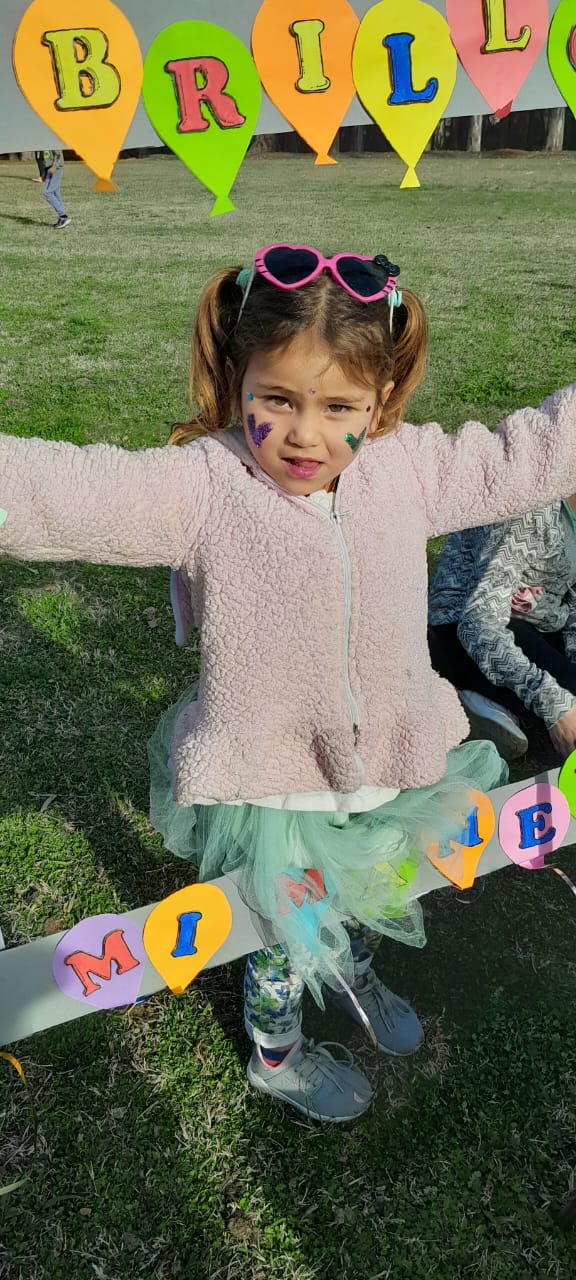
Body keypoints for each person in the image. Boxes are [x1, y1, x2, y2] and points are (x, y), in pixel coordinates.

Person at [1, 245, 575, 1123]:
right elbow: (64, 493)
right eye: (277, 400)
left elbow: (523, 455)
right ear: (239, 382)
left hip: (390, 766)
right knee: (280, 941)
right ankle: (279, 1055)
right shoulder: (202, 486)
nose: (306, 434)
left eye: (338, 407)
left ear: (381, 399)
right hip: (278, 793)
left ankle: (353, 973)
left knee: (376, 892)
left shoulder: (409, 467)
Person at [428, 500, 576, 762]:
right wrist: (552, 701)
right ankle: (471, 694)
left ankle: (494, 703)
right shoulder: (532, 509)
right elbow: (476, 621)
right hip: (460, 630)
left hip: (531, 623)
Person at [40, 150, 70, 229]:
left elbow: (58, 155)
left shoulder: (52, 143)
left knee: (47, 193)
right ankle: (62, 220)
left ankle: (63, 216)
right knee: (56, 194)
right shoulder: (43, 144)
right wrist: (44, 173)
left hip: (56, 169)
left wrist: (54, 167)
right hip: (49, 170)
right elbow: (45, 158)